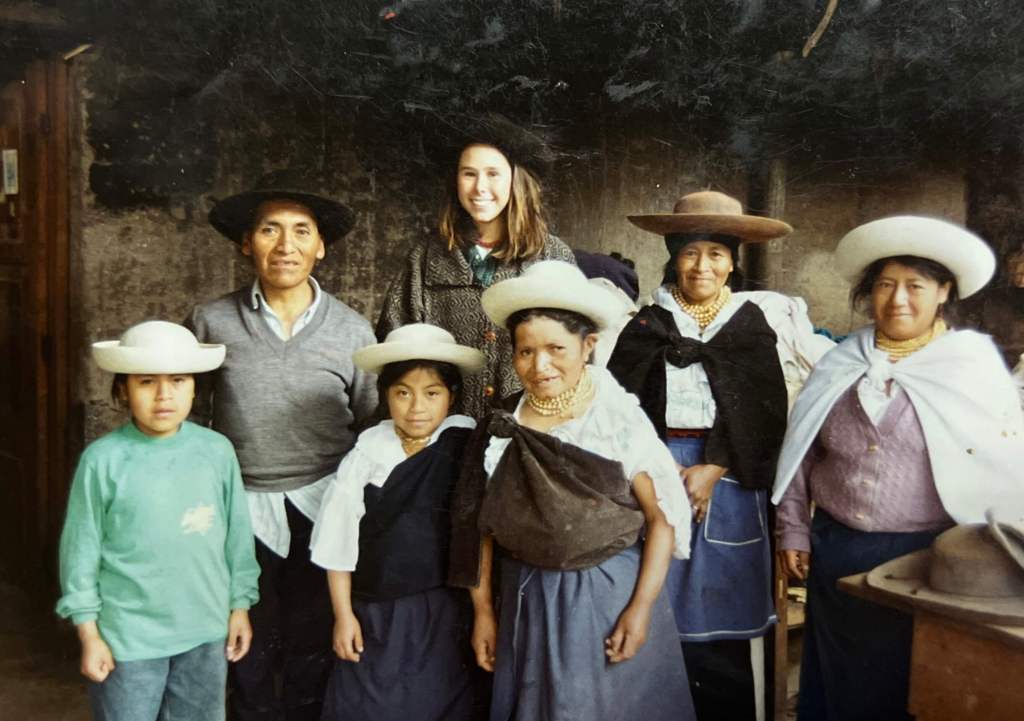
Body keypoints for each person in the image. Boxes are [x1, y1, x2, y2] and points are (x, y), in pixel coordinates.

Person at [772, 215, 1024, 721]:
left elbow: (1003, 465)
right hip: (836, 549)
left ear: (943, 291)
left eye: (916, 285)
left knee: (912, 684)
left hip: (928, 562)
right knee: (838, 678)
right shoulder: (841, 361)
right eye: (885, 285)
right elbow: (803, 451)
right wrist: (794, 529)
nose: (898, 299)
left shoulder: (969, 364)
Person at [449, 260, 697, 721]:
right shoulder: (503, 425)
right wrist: (483, 612)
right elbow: (476, 526)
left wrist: (639, 610)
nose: (540, 366)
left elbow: (663, 517)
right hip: (529, 598)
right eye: (525, 352)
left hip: (606, 598)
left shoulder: (615, 417)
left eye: (556, 348)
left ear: (588, 346)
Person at [608, 190, 817, 721]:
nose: (703, 266)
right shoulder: (644, 326)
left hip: (727, 483)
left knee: (719, 638)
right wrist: (659, 471)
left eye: (716, 255)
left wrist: (714, 466)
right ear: (674, 256)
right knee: (653, 617)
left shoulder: (749, 327)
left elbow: (765, 416)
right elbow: (620, 411)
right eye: (691, 253)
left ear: (732, 263)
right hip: (653, 481)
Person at [188, 170, 378, 721]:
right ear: (247, 243)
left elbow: (369, 427)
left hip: (323, 509)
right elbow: (190, 419)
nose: (286, 245)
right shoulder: (210, 321)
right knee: (245, 649)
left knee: (312, 651)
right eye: (270, 230)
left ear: (321, 247)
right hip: (238, 509)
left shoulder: (353, 330)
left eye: (301, 231)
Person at [56, 321, 260, 721]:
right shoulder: (103, 460)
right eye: (147, 382)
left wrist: (240, 606)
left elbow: (237, 536)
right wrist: (89, 633)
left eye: (179, 380)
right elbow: (81, 549)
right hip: (127, 638)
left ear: (194, 387)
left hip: (204, 629)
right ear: (122, 390)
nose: (165, 395)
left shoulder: (216, 451)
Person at [309, 323, 485, 721]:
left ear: (452, 397)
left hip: (443, 610)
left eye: (432, 393)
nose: (416, 407)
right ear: (385, 395)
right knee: (371, 702)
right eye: (402, 393)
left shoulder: (466, 444)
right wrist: (343, 615)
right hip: (375, 610)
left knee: (439, 700)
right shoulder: (368, 450)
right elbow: (337, 537)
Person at [376, 114, 575, 419]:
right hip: (444, 436)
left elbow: (574, 361)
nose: (480, 187)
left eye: (493, 173)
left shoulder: (553, 256)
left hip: (529, 432)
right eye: (469, 173)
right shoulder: (425, 259)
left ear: (515, 180)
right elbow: (394, 357)